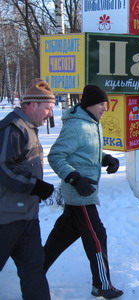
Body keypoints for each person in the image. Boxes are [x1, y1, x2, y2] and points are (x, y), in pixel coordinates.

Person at [44, 85, 123, 299]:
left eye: (105, 104)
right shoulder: (76, 126)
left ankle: (34, 269)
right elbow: (56, 156)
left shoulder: (92, 124)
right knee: (97, 236)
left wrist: (106, 158)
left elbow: (86, 152)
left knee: (62, 235)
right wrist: (74, 179)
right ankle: (102, 285)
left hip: (84, 191)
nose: (105, 109)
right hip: (80, 194)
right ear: (90, 105)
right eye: (101, 104)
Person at [0, 79, 55, 300]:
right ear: (32, 105)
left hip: (27, 216)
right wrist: (35, 186)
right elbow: (3, 168)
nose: (50, 114)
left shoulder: (29, 128)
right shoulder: (13, 129)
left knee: (34, 271)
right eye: (48, 109)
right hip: (6, 219)